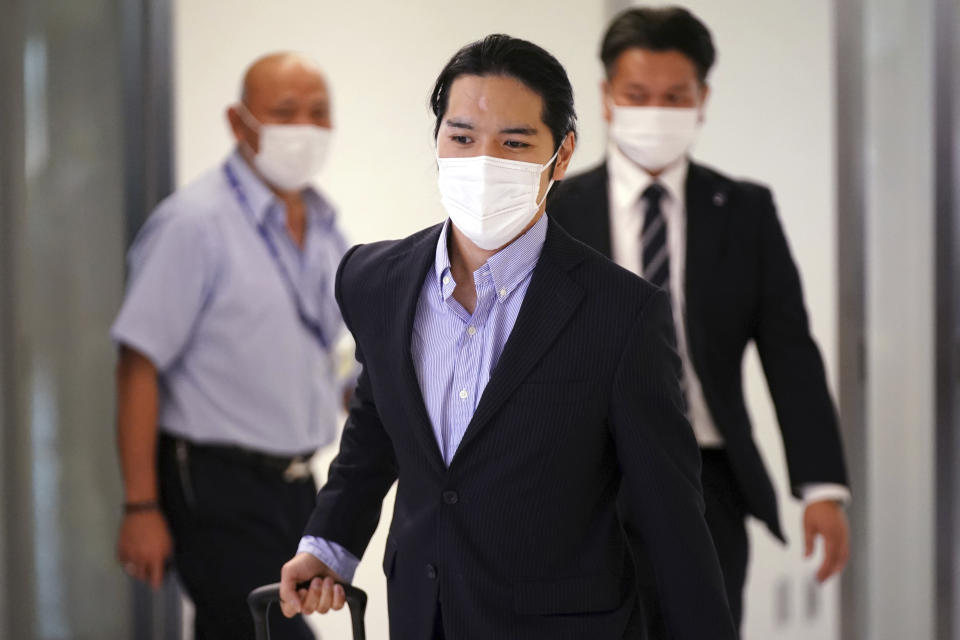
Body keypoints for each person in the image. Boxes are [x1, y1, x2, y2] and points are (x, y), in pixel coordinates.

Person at [276, 34, 737, 640]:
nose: (482, 162)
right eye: (462, 137)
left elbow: (672, 523)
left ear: (562, 155)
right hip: (422, 615)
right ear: (437, 141)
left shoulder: (622, 314)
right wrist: (329, 545)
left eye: (515, 143)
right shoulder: (374, 280)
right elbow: (378, 423)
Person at [548, 6, 851, 634]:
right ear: (605, 98)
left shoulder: (744, 211)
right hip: (586, 479)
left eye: (673, 97)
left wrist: (821, 486)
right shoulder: (556, 209)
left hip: (707, 478)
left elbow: (789, 350)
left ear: (702, 99)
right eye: (637, 96)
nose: (654, 112)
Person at [111, 52, 352, 640]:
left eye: (318, 113)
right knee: (265, 630)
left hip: (297, 486)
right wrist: (140, 507)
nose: (304, 128)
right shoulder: (195, 224)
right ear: (239, 123)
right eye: (285, 112)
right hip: (215, 485)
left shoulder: (322, 225)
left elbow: (328, 344)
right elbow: (137, 364)